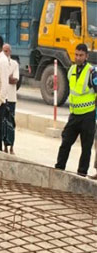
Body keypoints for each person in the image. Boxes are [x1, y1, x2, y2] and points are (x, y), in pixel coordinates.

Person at [55, 44, 97, 176]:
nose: (78, 58)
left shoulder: (92, 72)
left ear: (86, 56)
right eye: (76, 55)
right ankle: (59, 169)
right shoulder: (71, 70)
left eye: (81, 55)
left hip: (88, 116)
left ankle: (82, 174)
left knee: (86, 148)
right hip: (74, 115)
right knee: (65, 143)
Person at [2, 44, 19, 154]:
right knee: (3, 123)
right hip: (3, 97)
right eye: (3, 51)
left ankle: (12, 147)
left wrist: (6, 77)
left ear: (10, 52)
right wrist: (8, 77)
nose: (5, 53)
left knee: (11, 124)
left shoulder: (14, 64)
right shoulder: (0, 64)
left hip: (11, 98)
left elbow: (15, 80)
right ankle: (5, 147)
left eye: (7, 51)